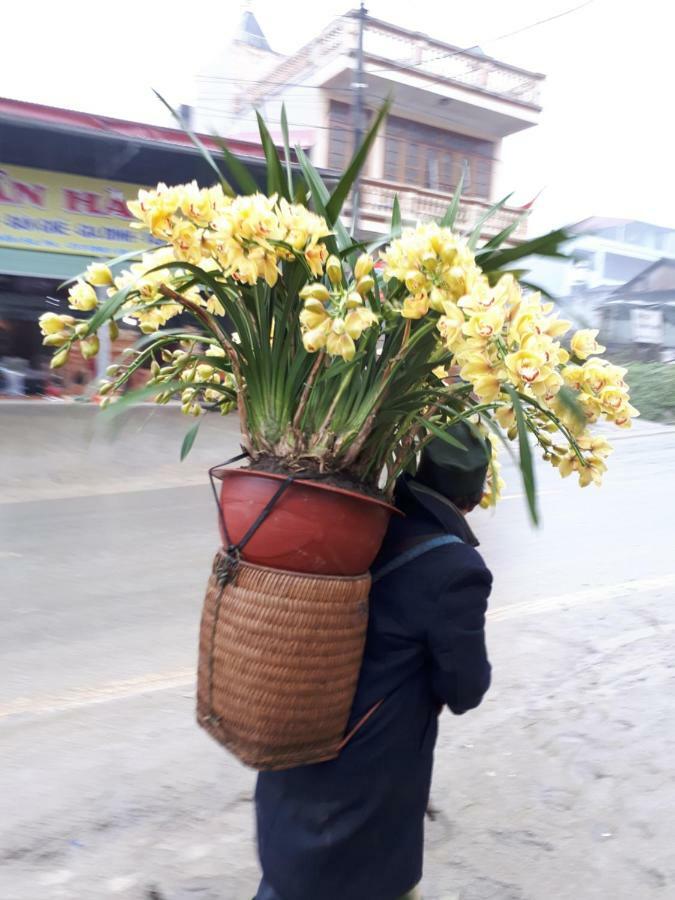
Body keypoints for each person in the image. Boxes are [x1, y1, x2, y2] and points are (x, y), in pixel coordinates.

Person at [254, 421, 493, 900]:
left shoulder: (356, 520)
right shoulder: (456, 570)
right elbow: (466, 688)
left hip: (295, 745)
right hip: (365, 792)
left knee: (289, 881)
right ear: (471, 496)